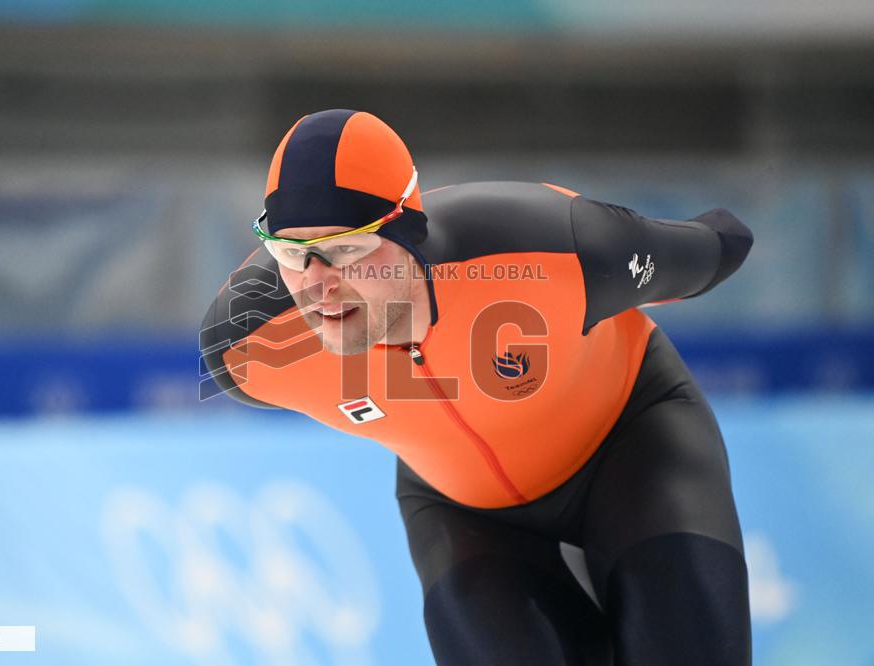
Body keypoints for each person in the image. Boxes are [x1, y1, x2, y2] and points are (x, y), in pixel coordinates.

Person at [201, 108, 754, 665]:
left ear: (407, 231)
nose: (317, 284)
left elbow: (714, 248)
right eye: (291, 253)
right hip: (465, 512)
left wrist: (722, 236)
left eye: (345, 249)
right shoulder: (248, 347)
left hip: (632, 449)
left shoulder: (552, 249)